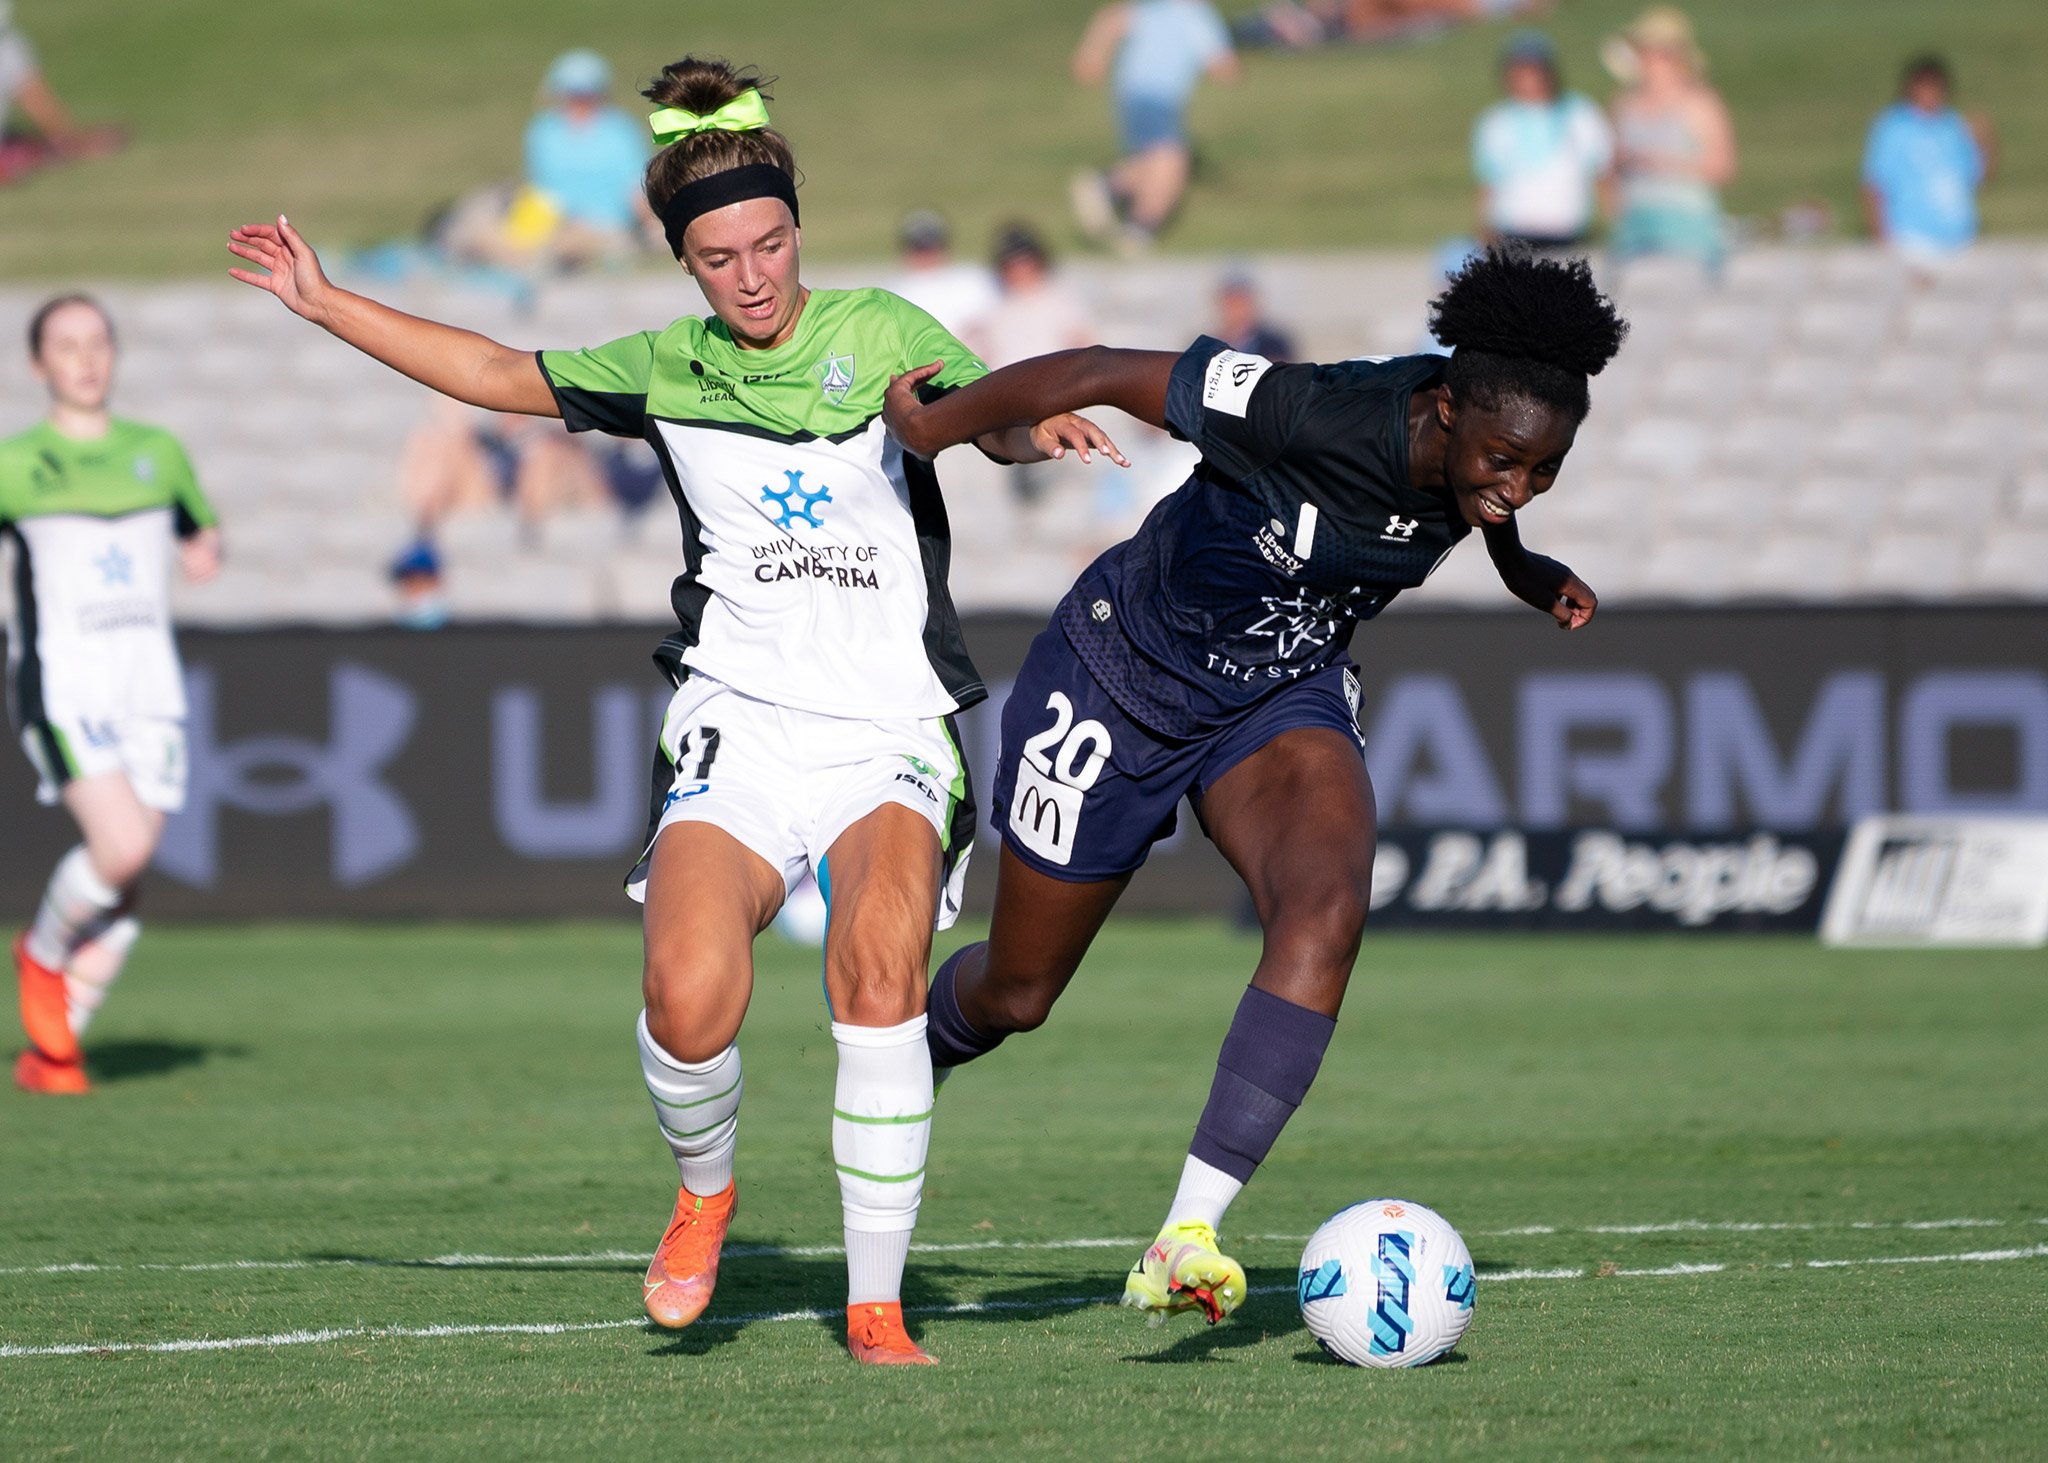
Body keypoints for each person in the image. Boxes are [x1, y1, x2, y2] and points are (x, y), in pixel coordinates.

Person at [227, 56, 1117, 1366]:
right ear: (684, 266)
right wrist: (323, 303)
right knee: (690, 999)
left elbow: (956, 416)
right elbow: (487, 367)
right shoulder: (662, 366)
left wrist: (1034, 433)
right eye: (720, 256)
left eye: (769, 243)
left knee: (879, 974)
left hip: (886, 727)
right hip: (740, 721)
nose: (753, 274)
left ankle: (877, 1307)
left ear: (798, 232)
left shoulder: (876, 328)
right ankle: (706, 1191)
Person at [883, 248, 1626, 1323]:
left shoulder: (1479, 445)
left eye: (1541, 470)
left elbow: (1482, 507)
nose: (1512, 485)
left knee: (1326, 901)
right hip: (1114, 681)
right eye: (1503, 459)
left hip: (1276, 697)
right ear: (1443, 405)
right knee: (1018, 992)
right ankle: (903, 1046)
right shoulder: (1300, 409)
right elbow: (1095, 365)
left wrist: (1522, 568)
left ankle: (1185, 1232)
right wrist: (932, 430)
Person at [6, 295, 221, 1095]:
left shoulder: (155, 451)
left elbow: (201, 528)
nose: (85, 358)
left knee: (125, 881)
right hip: (63, 684)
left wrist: (205, 551)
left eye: (97, 342)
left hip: (148, 687)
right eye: (66, 345)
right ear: (39, 364)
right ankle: (41, 956)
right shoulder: (16, 463)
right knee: (121, 844)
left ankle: (54, 1052)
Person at [445, 50, 658, 274]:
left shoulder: (620, 131)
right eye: (573, 93)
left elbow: (637, 190)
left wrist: (651, 227)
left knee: (568, 243)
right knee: (490, 226)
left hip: (602, 223)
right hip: (549, 216)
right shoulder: (545, 130)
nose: (579, 101)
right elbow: (538, 187)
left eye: (587, 93)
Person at [1070, 0, 1238, 254]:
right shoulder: (1198, 15)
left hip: (1132, 93)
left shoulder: (1159, 8)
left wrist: (1093, 52)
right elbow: (1222, 65)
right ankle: (1139, 230)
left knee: (1154, 160)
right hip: (1155, 96)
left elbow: (1111, 19)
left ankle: (1106, 186)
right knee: (1172, 157)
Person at [1604, 6, 1735, 273]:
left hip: (1687, 227)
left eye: (1658, 53)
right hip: (1635, 228)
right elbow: (1610, 168)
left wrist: (1662, 163)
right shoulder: (1623, 105)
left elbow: (1722, 167)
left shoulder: (1700, 103)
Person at [1471, 30, 1613, 252]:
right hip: (1513, 227)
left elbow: (1601, 173)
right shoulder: (1496, 121)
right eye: (1520, 72)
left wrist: (1614, 222)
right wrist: (1482, 229)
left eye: (1534, 71)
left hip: (1567, 227)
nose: (1528, 79)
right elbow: (1488, 182)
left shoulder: (1580, 113)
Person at [1862, 55, 1997, 270]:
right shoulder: (1894, 127)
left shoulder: (1953, 126)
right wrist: (1883, 241)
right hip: (1911, 241)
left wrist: (1987, 144)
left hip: (1959, 240)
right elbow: (1875, 184)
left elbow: (1977, 179)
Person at [0, 0, 124, 185]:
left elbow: (33, 96)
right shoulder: (9, 45)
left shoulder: (9, 44)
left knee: (22, 146)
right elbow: (33, 96)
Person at [884, 209, 999, 343]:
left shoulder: (974, 282)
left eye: (930, 247)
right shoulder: (893, 293)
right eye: (919, 248)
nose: (926, 255)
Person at [1213, 268, 1296, 362]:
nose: (1237, 309)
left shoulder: (1273, 346)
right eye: (1232, 302)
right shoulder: (1208, 348)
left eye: (1242, 302)